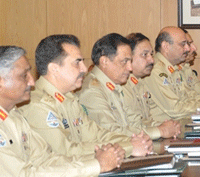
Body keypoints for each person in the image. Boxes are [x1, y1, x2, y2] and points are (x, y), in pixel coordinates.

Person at [0, 46, 121, 177]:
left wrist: (97, 161)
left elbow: (47, 158)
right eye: (24, 75)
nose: (32, 82)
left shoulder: (11, 113)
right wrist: (95, 166)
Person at [21, 35, 152, 158]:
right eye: (77, 62)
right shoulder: (37, 105)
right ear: (54, 69)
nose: (84, 68)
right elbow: (65, 151)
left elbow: (96, 134)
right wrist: (128, 147)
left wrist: (133, 140)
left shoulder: (69, 98)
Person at [79, 33, 179, 140]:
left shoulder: (113, 85)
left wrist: (165, 127)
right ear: (104, 61)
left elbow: (132, 125)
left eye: (130, 61)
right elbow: (112, 133)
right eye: (125, 61)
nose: (130, 68)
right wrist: (160, 131)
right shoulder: (92, 91)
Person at [145, 26, 200, 120]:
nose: (188, 48)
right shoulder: (155, 71)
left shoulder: (174, 68)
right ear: (166, 46)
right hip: (167, 129)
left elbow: (191, 98)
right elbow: (175, 110)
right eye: (183, 44)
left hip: (184, 123)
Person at [121, 33, 181, 137]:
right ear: (129, 57)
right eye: (144, 55)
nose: (151, 60)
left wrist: (166, 126)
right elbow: (132, 128)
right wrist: (161, 130)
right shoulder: (123, 86)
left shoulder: (140, 83)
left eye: (151, 54)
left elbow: (146, 121)